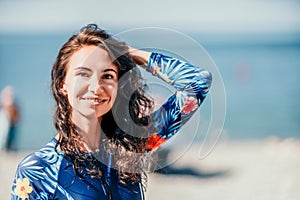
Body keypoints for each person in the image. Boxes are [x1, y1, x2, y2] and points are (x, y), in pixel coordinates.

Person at [11, 24, 212, 200]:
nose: (96, 86)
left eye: (107, 75)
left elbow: (197, 82)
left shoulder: (131, 146)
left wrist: (131, 54)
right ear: (63, 84)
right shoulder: (38, 170)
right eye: (83, 73)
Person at [0, 86, 19, 151]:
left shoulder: (13, 106)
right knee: (5, 137)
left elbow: (17, 114)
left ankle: (8, 148)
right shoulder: (6, 106)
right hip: (9, 124)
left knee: (11, 138)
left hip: (12, 124)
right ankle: (5, 148)